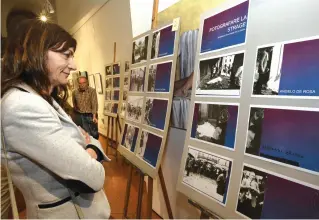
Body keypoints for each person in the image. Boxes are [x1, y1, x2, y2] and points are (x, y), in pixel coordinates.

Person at [1, 16, 111, 219]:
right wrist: (88, 151)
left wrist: (89, 149)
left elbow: (91, 139)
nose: (74, 65)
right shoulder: (23, 106)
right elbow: (93, 177)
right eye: (66, 55)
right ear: (38, 52)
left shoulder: (44, 98)